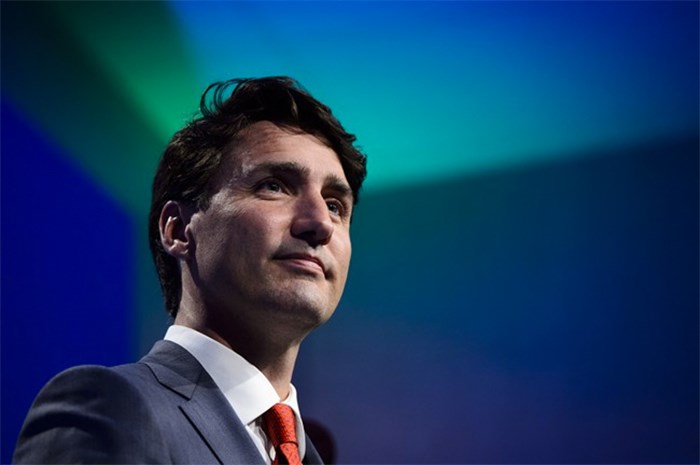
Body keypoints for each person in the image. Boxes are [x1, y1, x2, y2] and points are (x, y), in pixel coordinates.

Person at [13, 76, 367, 464]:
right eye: (274, 186)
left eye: (335, 205)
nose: (320, 223)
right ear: (178, 230)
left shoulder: (310, 454)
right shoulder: (109, 408)